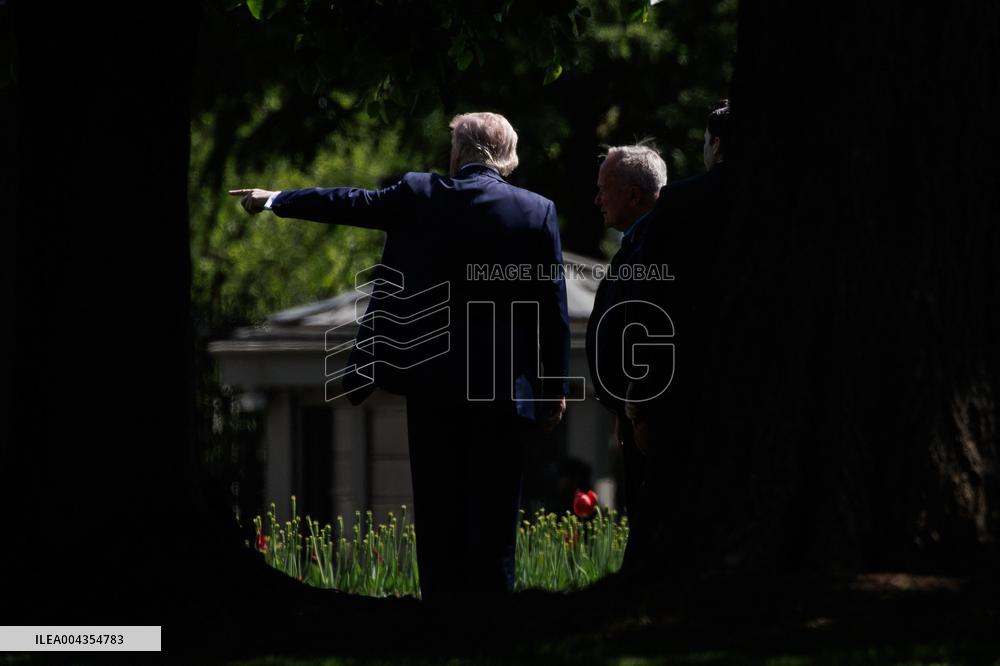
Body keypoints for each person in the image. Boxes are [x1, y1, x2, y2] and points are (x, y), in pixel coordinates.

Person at [229, 111, 570, 603]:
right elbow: (551, 309)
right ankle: (495, 625)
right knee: (495, 519)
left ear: (457, 155)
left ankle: (440, 618)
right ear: (509, 158)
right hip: (501, 391)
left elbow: (349, 203)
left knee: (438, 515)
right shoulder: (537, 212)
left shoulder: (421, 194)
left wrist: (274, 200)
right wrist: (554, 387)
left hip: (432, 386)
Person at [584, 143, 668, 572]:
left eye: (605, 189)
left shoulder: (657, 243)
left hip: (651, 417)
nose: (597, 199)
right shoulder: (637, 241)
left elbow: (650, 331)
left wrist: (638, 407)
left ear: (634, 195)